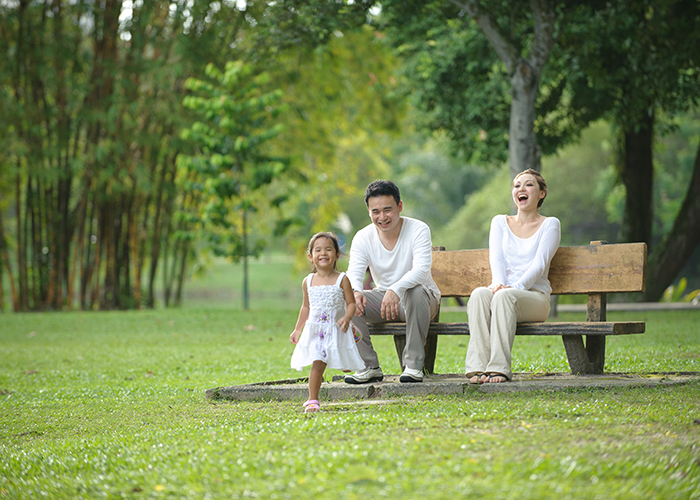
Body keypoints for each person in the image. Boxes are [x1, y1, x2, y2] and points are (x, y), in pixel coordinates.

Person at [465, 168, 561, 384]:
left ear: (541, 193)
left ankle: (498, 368)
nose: (521, 189)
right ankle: (477, 367)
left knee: (503, 296)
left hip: (535, 298)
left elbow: (539, 264)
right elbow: (497, 259)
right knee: (479, 294)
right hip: (504, 292)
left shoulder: (550, 224)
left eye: (529, 184)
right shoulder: (499, 222)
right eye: (517, 185)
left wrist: (514, 287)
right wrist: (499, 283)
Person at [344, 180, 441, 384]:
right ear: (369, 212)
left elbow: (421, 270)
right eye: (375, 212)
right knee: (347, 300)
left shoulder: (418, 229)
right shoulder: (363, 237)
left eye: (387, 210)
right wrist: (356, 291)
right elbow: (354, 272)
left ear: (400, 206)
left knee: (415, 292)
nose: (382, 217)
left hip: (422, 299)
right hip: (384, 301)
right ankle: (368, 366)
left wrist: (396, 289)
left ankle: (413, 366)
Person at [290, 232, 365, 413]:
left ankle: (351, 334)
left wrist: (347, 318)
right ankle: (312, 400)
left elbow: (351, 304)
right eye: (318, 250)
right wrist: (298, 329)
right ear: (310, 256)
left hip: (337, 327)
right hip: (317, 331)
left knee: (344, 365)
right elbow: (305, 307)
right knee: (318, 363)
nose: (323, 253)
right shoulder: (307, 281)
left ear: (337, 255)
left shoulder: (342, 279)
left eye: (328, 249)